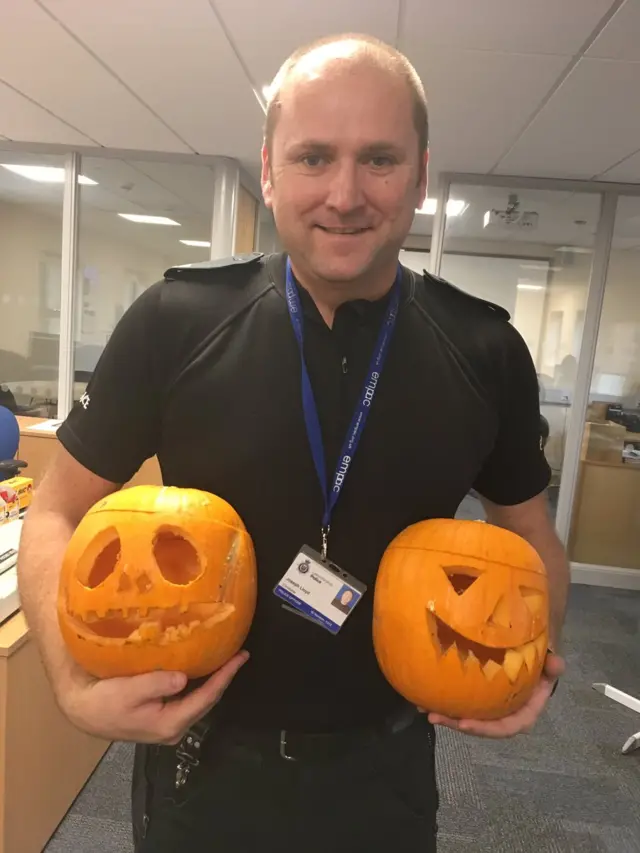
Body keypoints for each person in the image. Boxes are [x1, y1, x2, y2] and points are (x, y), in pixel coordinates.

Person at [17, 33, 568, 853]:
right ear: (269, 169)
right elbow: (56, 513)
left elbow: (529, 535)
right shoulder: (176, 324)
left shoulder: (484, 349)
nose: (345, 194)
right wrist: (67, 682)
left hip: (386, 766)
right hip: (202, 759)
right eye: (314, 158)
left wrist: (535, 654)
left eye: (379, 159)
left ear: (420, 174)